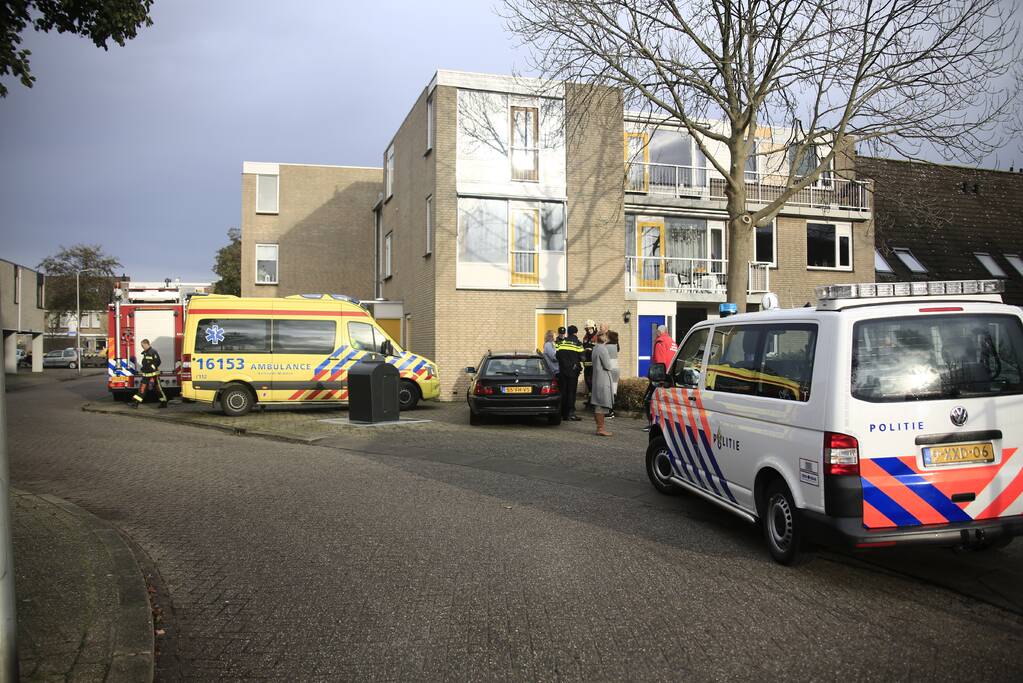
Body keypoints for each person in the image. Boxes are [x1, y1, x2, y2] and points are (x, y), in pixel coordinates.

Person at [643, 325, 677, 430]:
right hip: (671, 377)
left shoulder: (660, 342)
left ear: (659, 332)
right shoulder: (673, 343)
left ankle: (652, 424)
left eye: (657, 332)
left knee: (648, 399)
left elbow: (659, 361)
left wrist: (655, 376)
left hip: (661, 377)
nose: (656, 335)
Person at [555, 325, 584, 421]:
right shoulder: (578, 343)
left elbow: (557, 355)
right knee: (571, 392)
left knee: (563, 391)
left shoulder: (562, 342)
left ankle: (563, 413)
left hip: (563, 371)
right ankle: (570, 413)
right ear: (576, 333)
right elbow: (582, 357)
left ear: (568, 333)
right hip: (573, 372)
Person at [590, 332, 615, 436]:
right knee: (601, 404)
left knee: (598, 403)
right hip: (603, 379)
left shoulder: (595, 348)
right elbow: (608, 366)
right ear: (605, 339)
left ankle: (599, 428)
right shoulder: (603, 349)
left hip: (596, 378)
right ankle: (600, 429)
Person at [131, 338, 167, 408]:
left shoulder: (153, 352)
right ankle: (136, 403)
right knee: (142, 388)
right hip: (146, 375)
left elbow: (158, 362)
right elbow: (146, 363)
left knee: (158, 389)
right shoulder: (145, 353)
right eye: (141, 346)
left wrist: (151, 368)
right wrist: (143, 369)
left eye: (143, 345)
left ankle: (163, 402)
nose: (142, 347)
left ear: (147, 344)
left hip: (154, 375)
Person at [581, 320, 597, 407]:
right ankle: (590, 399)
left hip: (594, 363)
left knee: (594, 382)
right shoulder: (586, 337)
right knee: (588, 382)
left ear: (594, 327)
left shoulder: (597, 337)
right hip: (587, 363)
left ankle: (594, 401)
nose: (589, 330)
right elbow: (583, 346)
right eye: (587, 329)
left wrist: (592, 350)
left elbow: (600, 349)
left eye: (590, 328)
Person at [606, 330, 620, 419]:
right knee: (614, 390)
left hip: (610, 369)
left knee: (609, 391)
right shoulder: (616, 346)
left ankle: (610, 411)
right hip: (616, 369)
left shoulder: (607, 346)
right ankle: (612, 411)